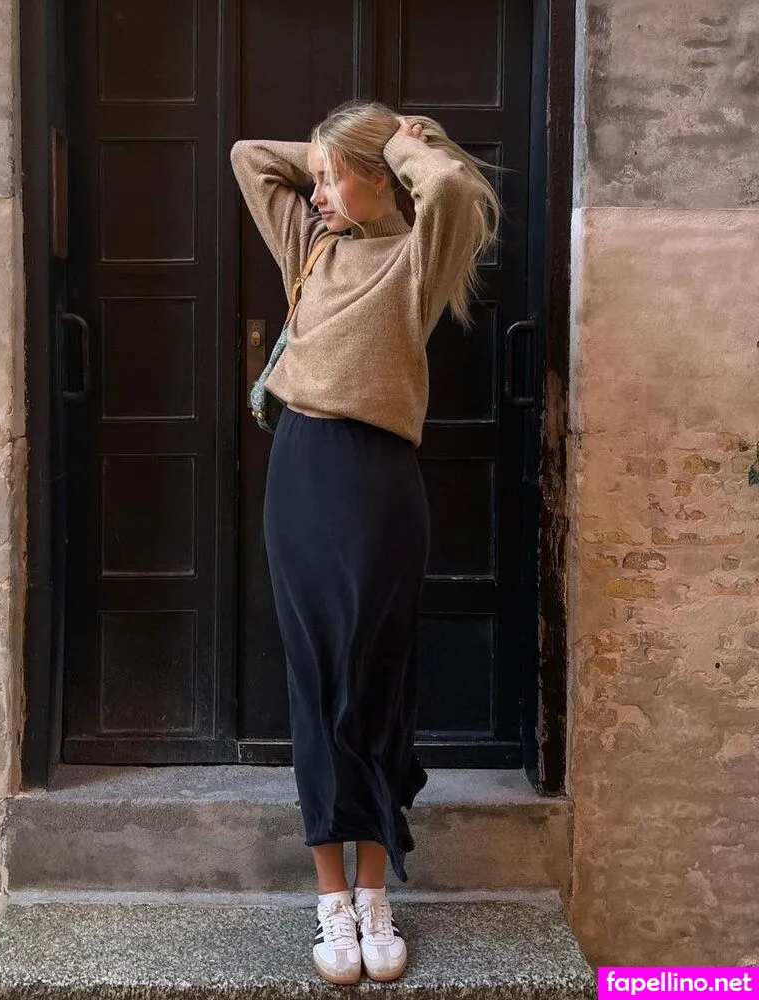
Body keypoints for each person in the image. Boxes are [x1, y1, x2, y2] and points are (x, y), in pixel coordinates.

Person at [230, 99, 500, 985]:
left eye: (331, 179)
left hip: (381, 479)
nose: (315, 194)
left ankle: (376, 892)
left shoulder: (420, 255)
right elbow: (247, 156)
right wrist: (326, 154)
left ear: (380, 177)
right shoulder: (311, 246)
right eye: (313, 180)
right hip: (302, 471)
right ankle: (331, 899)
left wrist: (393, 143)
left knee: (378, 676)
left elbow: (450, 186)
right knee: (314, 678)